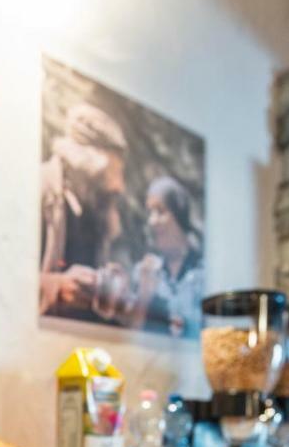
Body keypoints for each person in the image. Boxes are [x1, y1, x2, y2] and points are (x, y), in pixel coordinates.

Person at [39, 103, 128, 319]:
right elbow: (1, 279)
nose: (115, 186)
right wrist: (56, 286)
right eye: (103, 175)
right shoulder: (39, 188)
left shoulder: (102, 205)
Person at [126, 176, 204, 337]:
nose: (152, 221)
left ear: (180, 214)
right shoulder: (144, 272)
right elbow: (131, 336)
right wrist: (144, 294)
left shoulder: (206, 272)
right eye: (150, 213)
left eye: (160, 211)